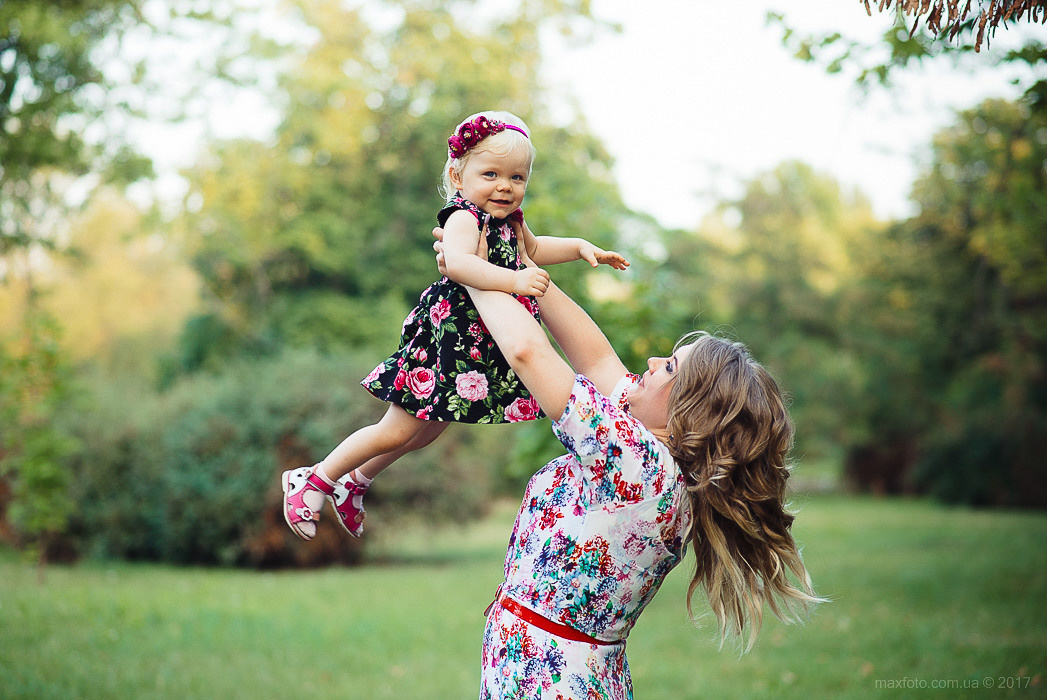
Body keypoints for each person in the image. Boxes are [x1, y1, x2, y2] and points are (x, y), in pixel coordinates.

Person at [431, 236, 823, 698]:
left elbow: (528, 353)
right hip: (563, 676)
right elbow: (597, 359)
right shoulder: (659, 463)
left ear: (689, 415)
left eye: (671, 367)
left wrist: (470, 270)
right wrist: (514, 259)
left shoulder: (637, 464)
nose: (654, 360)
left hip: (547, 685)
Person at [281, 110, 628, 540]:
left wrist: (580, 248)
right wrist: (515, 279)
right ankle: (314, 479)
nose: (505, 186)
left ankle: (356, 481)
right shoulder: (463, 217)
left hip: (472, 351)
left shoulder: (510, 222)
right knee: (399, 428)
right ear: (459, 176)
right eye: (491, 174)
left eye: (517, 178)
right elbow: (461, 264)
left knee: (425, 432)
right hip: (448, 341)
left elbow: (535, 248)